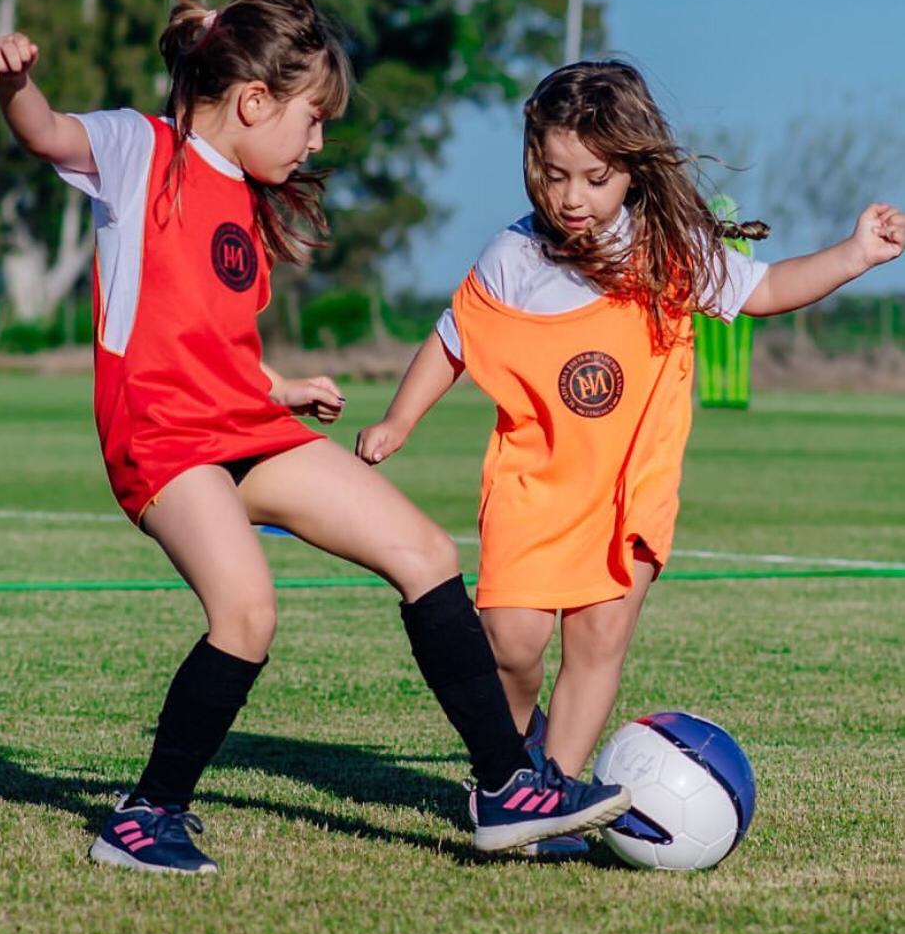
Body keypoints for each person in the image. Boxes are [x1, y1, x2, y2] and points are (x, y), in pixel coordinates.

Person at [0, 0, 629, 875]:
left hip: (243, 424)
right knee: (245, 614)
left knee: (426, 553)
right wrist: (16, 84)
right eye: (311, 118)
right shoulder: (142, 151)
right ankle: (143, 816)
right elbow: (47, 132)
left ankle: (505, 787)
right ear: (252, 101)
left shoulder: (243, 191)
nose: (317, 140)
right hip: (163, 441)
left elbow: (202, 333)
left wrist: (277, 387)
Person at [357, 60, 904, 853]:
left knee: (598, 642)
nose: (572, 197)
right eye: (553, 176)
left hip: (628, 491)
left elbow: (762, 289)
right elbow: (452, 340)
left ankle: (549, 797)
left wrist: (853, 255)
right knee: (508, 646)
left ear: (631, 170)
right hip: (534, 487)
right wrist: (397, 420)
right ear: (531, 166)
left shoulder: (667, 248)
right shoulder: (512, 256)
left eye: (594, 177)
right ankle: (513, 771)